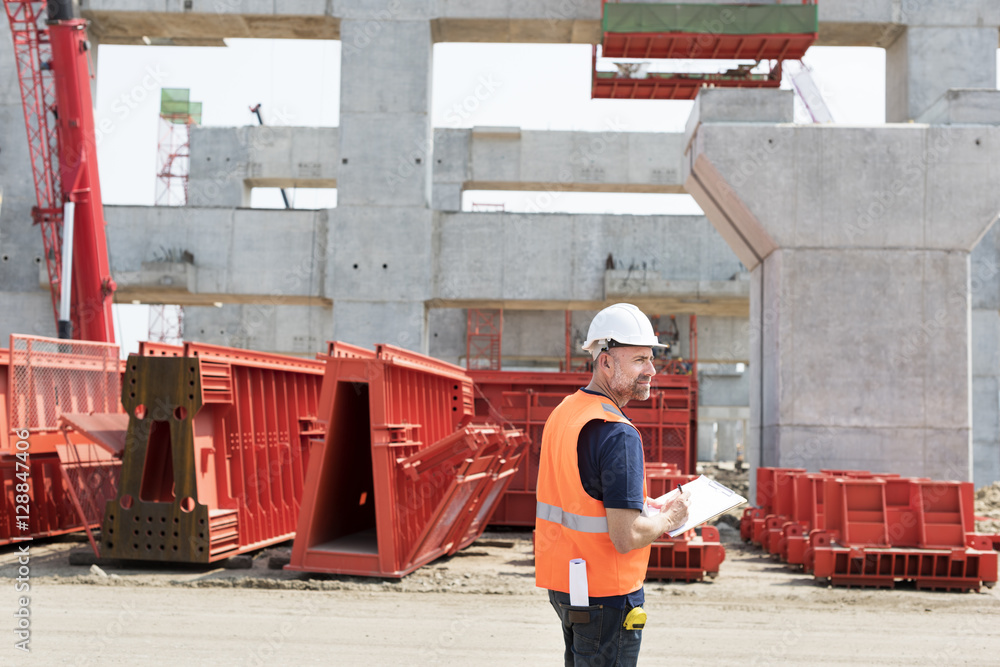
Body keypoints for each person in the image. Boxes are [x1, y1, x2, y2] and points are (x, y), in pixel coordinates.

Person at [535, 303, 692, 666]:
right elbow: (626, 536)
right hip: (605, 593)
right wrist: (670, 519)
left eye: (651, 359)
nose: (651, 370)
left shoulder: (565, 412)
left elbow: (581, 496)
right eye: (639, 360)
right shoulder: (617, 432)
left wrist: (642, 505)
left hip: (566, 586)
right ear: (605, 362)